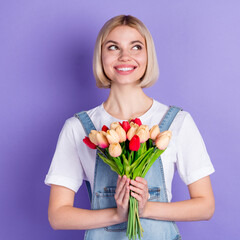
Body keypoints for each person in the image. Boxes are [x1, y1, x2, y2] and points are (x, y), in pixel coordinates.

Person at [45, 15, 215, 239]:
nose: (125, 56)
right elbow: (58, 216)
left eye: (136, 47)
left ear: (147, 56)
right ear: (101, 56)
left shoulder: (177, 121)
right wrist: (118, 215)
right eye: (113, 47)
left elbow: (205, 206)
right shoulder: (78, 128)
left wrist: (146, 208)